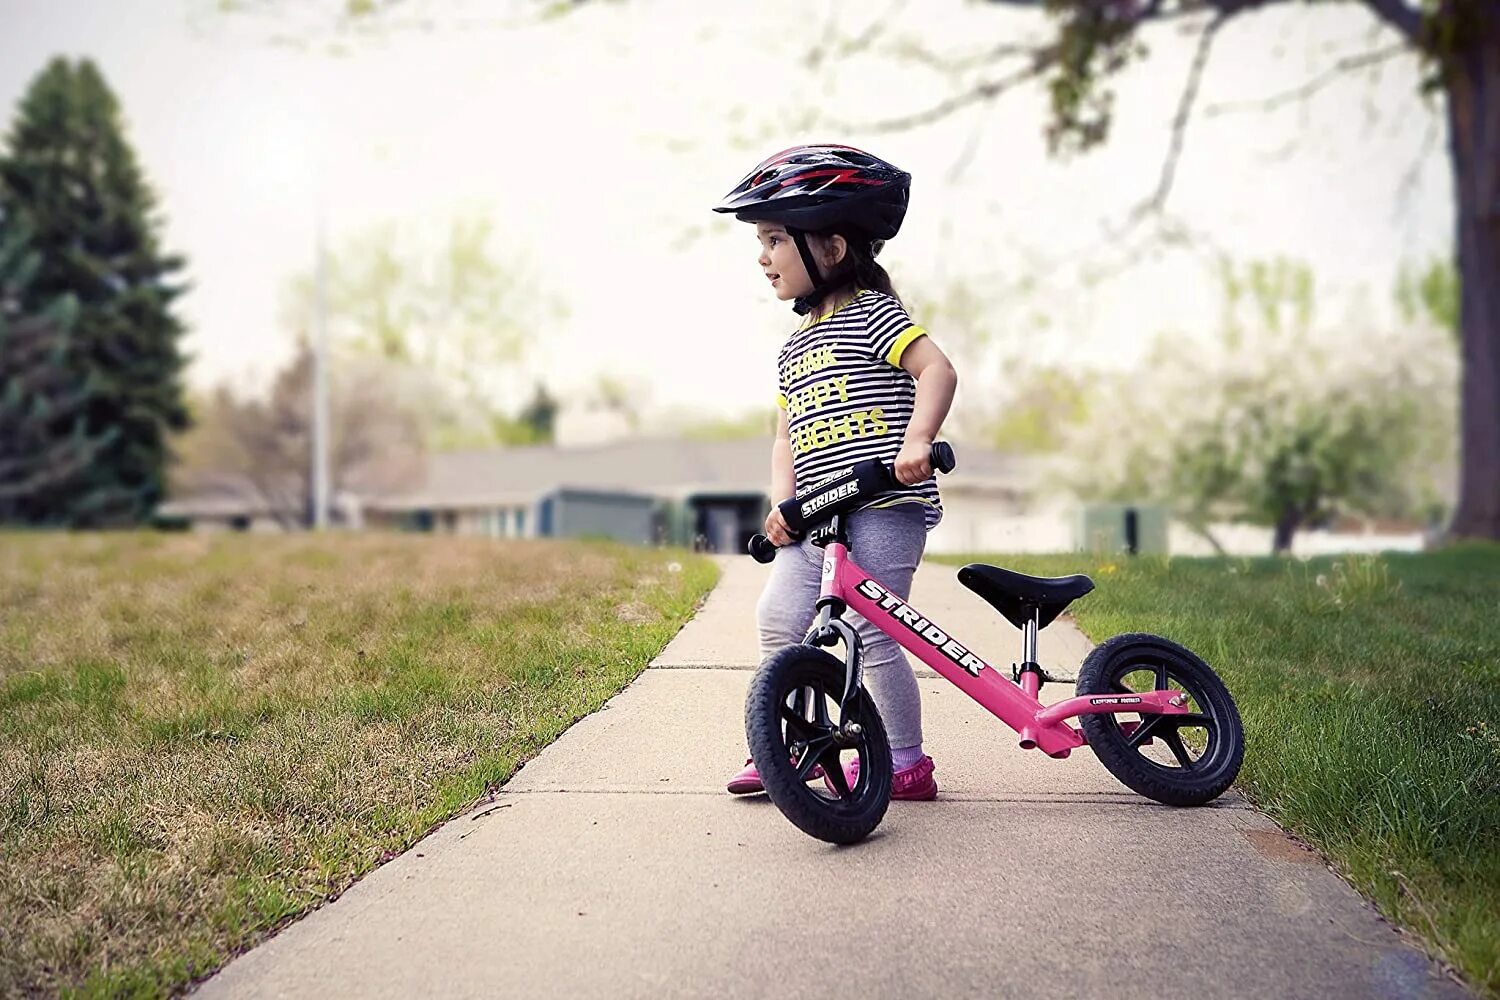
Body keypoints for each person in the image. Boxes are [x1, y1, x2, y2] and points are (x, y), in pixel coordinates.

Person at [712, 144, 959, 801]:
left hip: (883, 506)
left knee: (873, 631)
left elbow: (936, 370)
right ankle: (789, 742)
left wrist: (917, 440)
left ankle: (905, 762)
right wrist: (782, 503)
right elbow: (787, 433)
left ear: (832, 247)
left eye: (773, 240)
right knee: (779, 618)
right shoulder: (792, 348)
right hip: (815, 515)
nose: (762, 257)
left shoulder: (875, 315)